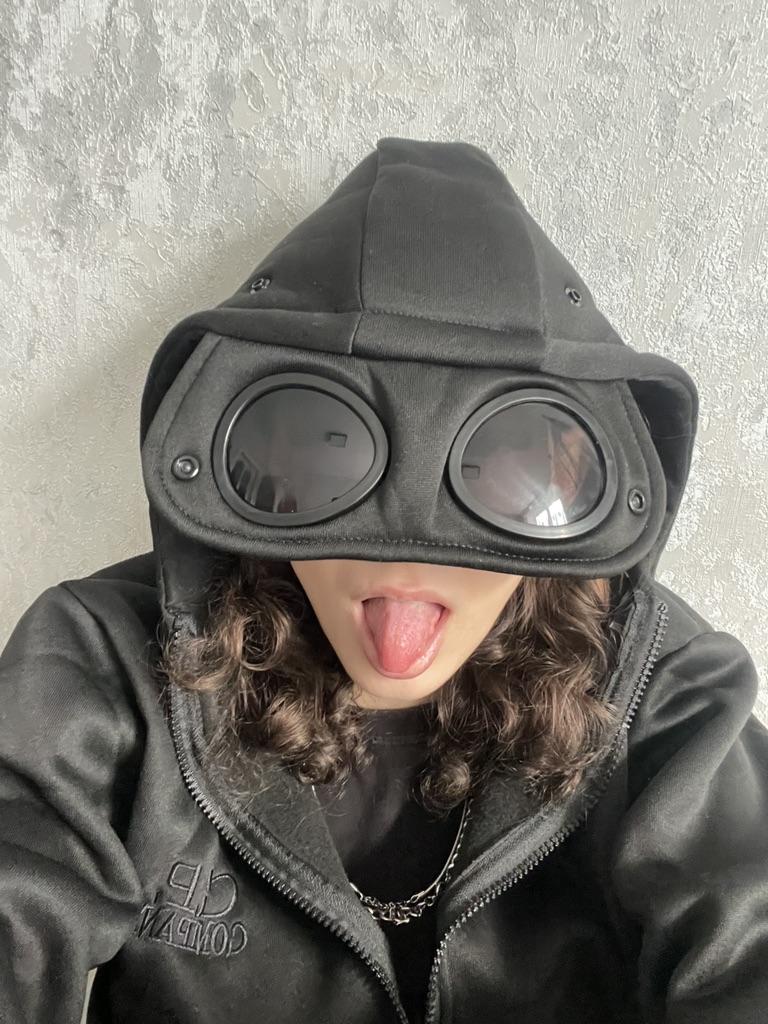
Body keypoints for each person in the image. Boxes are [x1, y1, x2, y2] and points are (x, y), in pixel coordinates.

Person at [1, 136, 766, 1024]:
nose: (412, 557)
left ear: (577, 478)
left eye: (502, 474)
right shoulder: (107, 668)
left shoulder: (661, 692)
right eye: (330, 454)